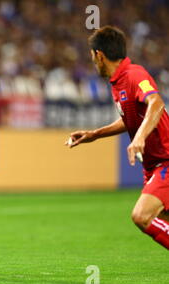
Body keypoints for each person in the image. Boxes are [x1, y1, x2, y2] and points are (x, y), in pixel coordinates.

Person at [67, 26, 169, 250]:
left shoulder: (134, 74)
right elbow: (130, 118)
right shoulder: (118, 82)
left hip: (166, 161)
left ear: (99, 55)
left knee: (142, 216)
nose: (93, 61)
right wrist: (94, 134)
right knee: (161, 220)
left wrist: (140, 137)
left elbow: (157, 103)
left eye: (92, 56)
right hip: (153, 166)